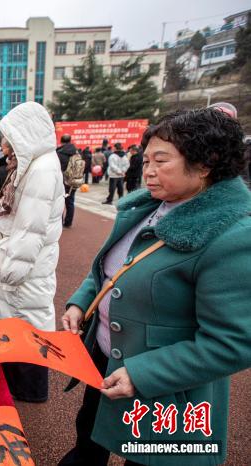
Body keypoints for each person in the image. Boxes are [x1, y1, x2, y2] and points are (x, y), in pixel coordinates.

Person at [59, 108, 251, 466]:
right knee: (88, 438)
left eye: (160, 161)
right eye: (145, 160)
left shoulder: (232, 236)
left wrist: (142, 374)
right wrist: (81, 302)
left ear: (205, 164)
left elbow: (232, 342)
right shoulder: (146, 209)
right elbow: (113, 268)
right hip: (106, 360)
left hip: (165, 385)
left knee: (148, 456)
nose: (147, 170)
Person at [0, 102, 65, 403]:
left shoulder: (41, 169)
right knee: (18, 323)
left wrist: (10, 269)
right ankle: (21, 387)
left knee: (26, 324)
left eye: (10, 137)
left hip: (21, 267)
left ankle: (29, 392)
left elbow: (31, 228)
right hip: (16, 258)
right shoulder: (34, 163)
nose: (6, 144)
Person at [57, 134, 83, 228]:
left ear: (61, 141)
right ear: (70, 140)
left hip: (62, 180)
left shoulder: (59, 152)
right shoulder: (76, 152)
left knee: (59, 202)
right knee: (70, 201)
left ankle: (59, 222)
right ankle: (68, 222)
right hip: (73, 180)